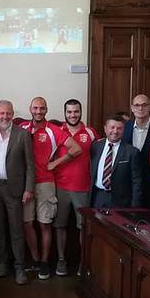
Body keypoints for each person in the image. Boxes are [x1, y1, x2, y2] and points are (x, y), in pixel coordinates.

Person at [19, 97, 81, 280]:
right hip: (25, 184)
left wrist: (56, 163)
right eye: (35, 108)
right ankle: (36, 260)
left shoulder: (54, 130)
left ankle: (45, 262)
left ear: (46, 110)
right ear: (30, 109)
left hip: (45, 183)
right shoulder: (22, 128)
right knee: (27, 223)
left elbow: (76, 149)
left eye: (42, 108)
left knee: (44, 224)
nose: (38, 111)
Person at [0, 100, 34, 285]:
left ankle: (19, 267)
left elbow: (30, 165)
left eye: (8, 113)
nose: (5, 117)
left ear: (12, 114)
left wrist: (28, 188)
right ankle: (2, 263)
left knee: (16, 229)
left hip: (15, 188)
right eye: (1, 113)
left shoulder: (23, 134)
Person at [53, 99, 97, 277]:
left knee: (83, 227)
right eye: (69, 112)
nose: (73, 115)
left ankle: (83, 262)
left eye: (76, 111)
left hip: (83, 187)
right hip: (60, 187)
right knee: (60, 226)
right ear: (64, 113)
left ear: (81, 112)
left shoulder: (91, 132)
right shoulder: (57, 131)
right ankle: (61, 260)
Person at [91, 114, 142, 208]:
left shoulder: (132, 152)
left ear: (123, 130)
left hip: (121, 201)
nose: (115, 131)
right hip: (97, 196)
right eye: (112, 127)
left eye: (119, 128)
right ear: (105, 129)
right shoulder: (96, 146)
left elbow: (136, 181)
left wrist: (135, 206)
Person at [122, 94, 150, 209]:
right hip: (128, 184)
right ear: (132, 108)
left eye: (144, 105)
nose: (140, 108)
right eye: (137, 105)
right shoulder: (124, 128)